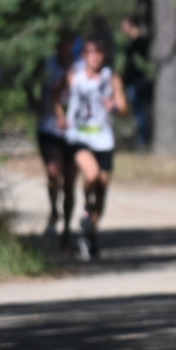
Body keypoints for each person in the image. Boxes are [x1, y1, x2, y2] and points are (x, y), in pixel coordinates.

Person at [60, 37, 129, 261]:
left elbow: (124, 108)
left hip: (103, 139)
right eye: (90, 53)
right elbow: (55, 95)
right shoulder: (74, 75)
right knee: (91, 174)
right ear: (84, 56)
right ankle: (82, 213)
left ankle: (89, 232)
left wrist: (114, 106)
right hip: (78, 136)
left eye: (99, 53)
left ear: (104, 56)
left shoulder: (112, 78)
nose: (95, 57)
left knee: (102, 189)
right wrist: (61, 115)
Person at [27, 37, 77, 249]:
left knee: (70, 182)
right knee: (53, 172)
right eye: (62, 43)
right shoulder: (46, 65)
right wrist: (35, 102)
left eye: (69, 43)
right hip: (48, 127)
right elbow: (29, 82)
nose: (65, 47)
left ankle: (67, 227)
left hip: (74, 132)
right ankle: (54, 211)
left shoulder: (80, 67)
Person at [118, 18, 153, 150]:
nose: (122, 30)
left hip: (138, 83)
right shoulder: (132, 43)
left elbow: (138, 65)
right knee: (138, 113)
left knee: (140, 114)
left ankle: (143, 142)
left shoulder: (141, 42)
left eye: (124, 27)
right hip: (132, 82)